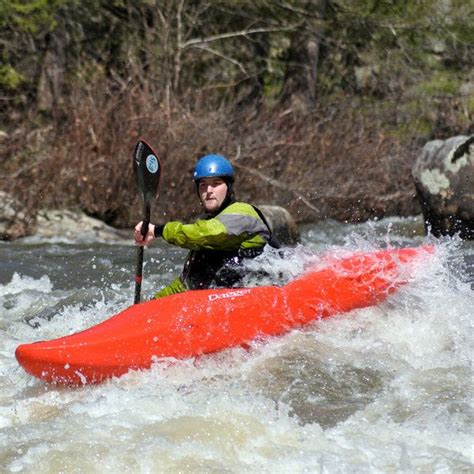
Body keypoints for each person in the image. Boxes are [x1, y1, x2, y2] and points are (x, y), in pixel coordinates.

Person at [134, 153, 280, 298]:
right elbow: (188, 282)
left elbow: (205, 233)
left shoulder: (241, 213)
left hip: (260, 294)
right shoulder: (208, 221)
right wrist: (153, 303)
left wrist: (158, 230)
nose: (209, 191)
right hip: (219, 299)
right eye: (203, 185)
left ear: (228, 187)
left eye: (216, 184)